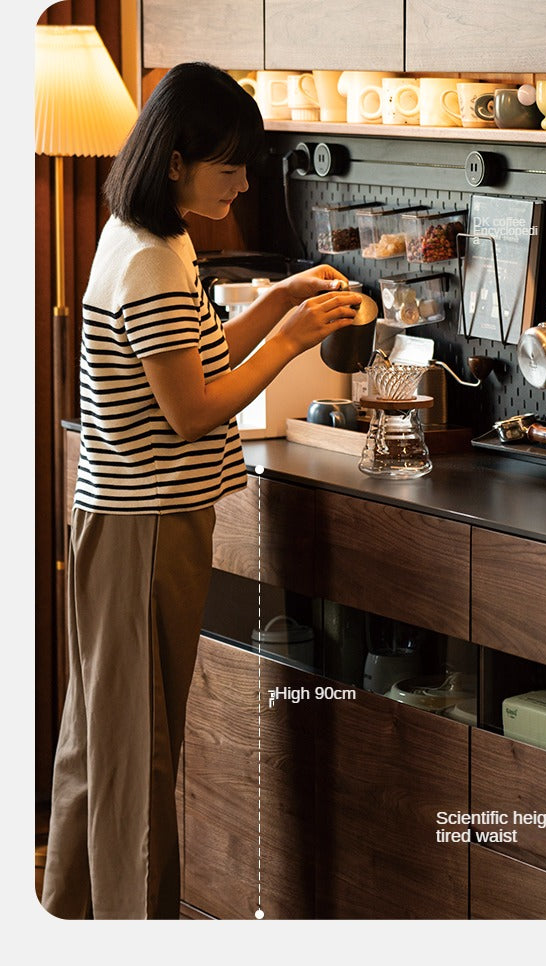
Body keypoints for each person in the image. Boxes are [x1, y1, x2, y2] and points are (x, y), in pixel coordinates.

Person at [40, 62, 360, 920]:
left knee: (98, 748)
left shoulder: (145, 236)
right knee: (141, 755)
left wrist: (279, 300)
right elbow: (194, 409)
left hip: (122, 519)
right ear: (176, 160)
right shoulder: (151, 260)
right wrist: (290, 339)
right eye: (230, 167)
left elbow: (199, 349)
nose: (245, 182)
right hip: (148, 528)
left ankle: (70, 915)